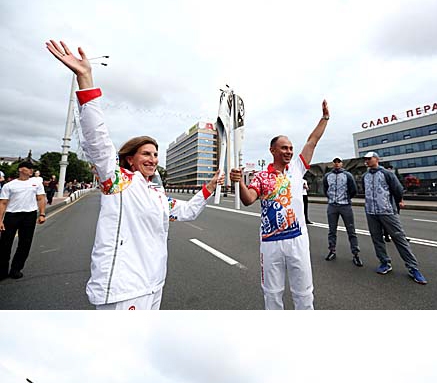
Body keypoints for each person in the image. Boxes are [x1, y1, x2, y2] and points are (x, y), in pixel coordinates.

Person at [46, 40, 225, 310]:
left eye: (155, 154)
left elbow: (187, 212)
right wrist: (86, 79)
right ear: (130, 158)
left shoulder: (156, 195)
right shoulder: (118, 182)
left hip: (154, 285)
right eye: (146, 154)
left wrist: (209, 187)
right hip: (123, 289)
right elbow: (98, 141)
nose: (153, 160)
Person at [230, 101, 330, 310]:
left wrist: (325, 118)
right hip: (271, 243)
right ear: (272, 150)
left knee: (304, 292)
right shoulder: (261, 176)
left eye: (291, 148)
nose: (289, 151)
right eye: (284, 148)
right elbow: (248, 199)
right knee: (272, 294)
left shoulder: (296, 168)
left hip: (297, 240)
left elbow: (312, 141)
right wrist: (239, 181)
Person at [362, 152, 427, 284]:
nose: (367, 161)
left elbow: (397, 190)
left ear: (377, 159)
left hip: (387, 211)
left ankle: (413, 268)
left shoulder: (387, 174)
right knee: (376, 238)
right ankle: (384, 262)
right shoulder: (365, 176)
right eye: (365, 159)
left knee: (399, 238)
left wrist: (395, 205)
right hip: (371, 212)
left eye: (369, 158)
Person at [0, 160, 46, 280]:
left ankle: (16, 269)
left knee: (25, 243)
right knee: (5, 243)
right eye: (28, 168)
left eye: (32, 169)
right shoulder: (9, 185)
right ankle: (2, 271)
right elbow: (3, 203)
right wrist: (0, 220)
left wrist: (42, 214)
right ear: (21, 169)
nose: (31, 170)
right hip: (11, 216)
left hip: (29, 216)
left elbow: (41, 198)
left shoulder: (36, 183)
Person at [323, 157, 362, 266]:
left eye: (338, 162)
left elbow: (353, 190)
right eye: (334, 162)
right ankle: (332, 250)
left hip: (345, 206)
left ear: (342, 164)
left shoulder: (347, 175)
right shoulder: (327, 176)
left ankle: (355, 254)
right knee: (332, 230)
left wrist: (346, 198)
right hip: (332, 206)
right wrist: (331, 198)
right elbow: (326, 189)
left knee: (351, 230)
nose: (336, 164)